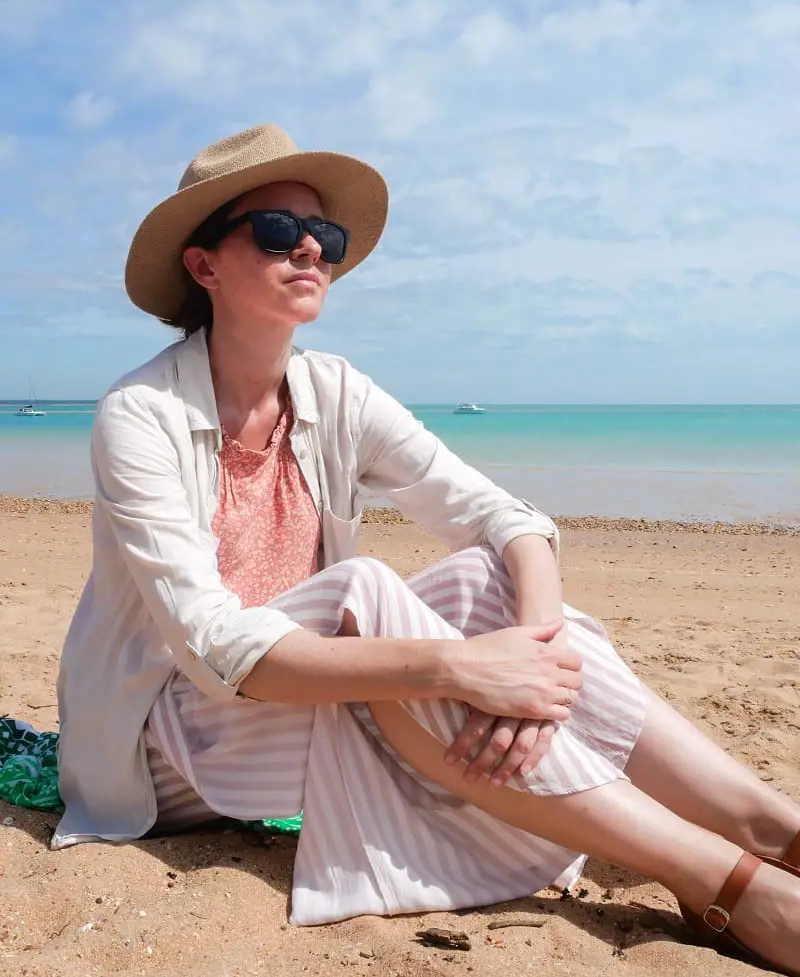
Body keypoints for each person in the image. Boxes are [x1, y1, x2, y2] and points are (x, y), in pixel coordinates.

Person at [54, 125, 799, 974]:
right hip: (168, 737)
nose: (309, 247)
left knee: (494, 584)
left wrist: (535, 653)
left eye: (324, 236)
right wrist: (459, 671)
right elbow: (219, 646)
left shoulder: (334, 392)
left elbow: (501, 516)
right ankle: (727, 883)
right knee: (365, 589)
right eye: (273, 230)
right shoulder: (138, 415)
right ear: (204, 266)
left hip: (304, 698)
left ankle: (772, 830)